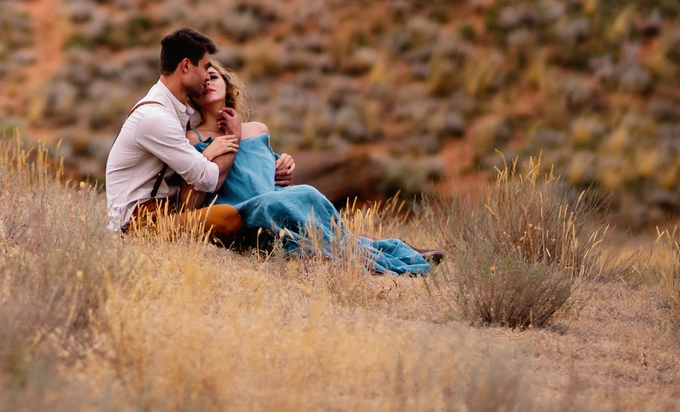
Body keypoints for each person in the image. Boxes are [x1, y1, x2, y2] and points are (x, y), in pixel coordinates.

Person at [187, 63, 439, 275]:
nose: (208, 81)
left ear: (228, 86)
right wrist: (230, 137)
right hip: (244, 213)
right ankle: (389, 252)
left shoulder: (257, 129)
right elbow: (203, 182)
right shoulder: (191, 139)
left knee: (313, 213)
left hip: (276, 203)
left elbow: (266, 173)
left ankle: (394, 249)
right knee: (296, 204)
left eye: (214, 76)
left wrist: (283, 167)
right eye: (203, 79)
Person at [105, 29, 246, 240]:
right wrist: (232, 139)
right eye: (206, 68)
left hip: (165, 211)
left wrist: (279, 162)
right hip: (137, 222)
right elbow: (208, 179)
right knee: (228, 217)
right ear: (186, 65)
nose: (208, 77)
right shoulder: (155, 117)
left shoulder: (177, 110)